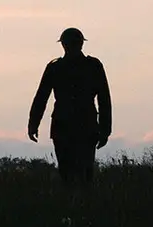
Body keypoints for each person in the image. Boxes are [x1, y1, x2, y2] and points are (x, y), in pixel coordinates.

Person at [28, 27, 112, 185]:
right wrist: (105, 129)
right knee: (76, 173)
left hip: (74, 125)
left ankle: (76, 204)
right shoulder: (89, 66)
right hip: (76, 125)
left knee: (75, 173)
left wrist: (33, 124)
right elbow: (104, 100)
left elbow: (104, 99)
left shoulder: (58, 67)